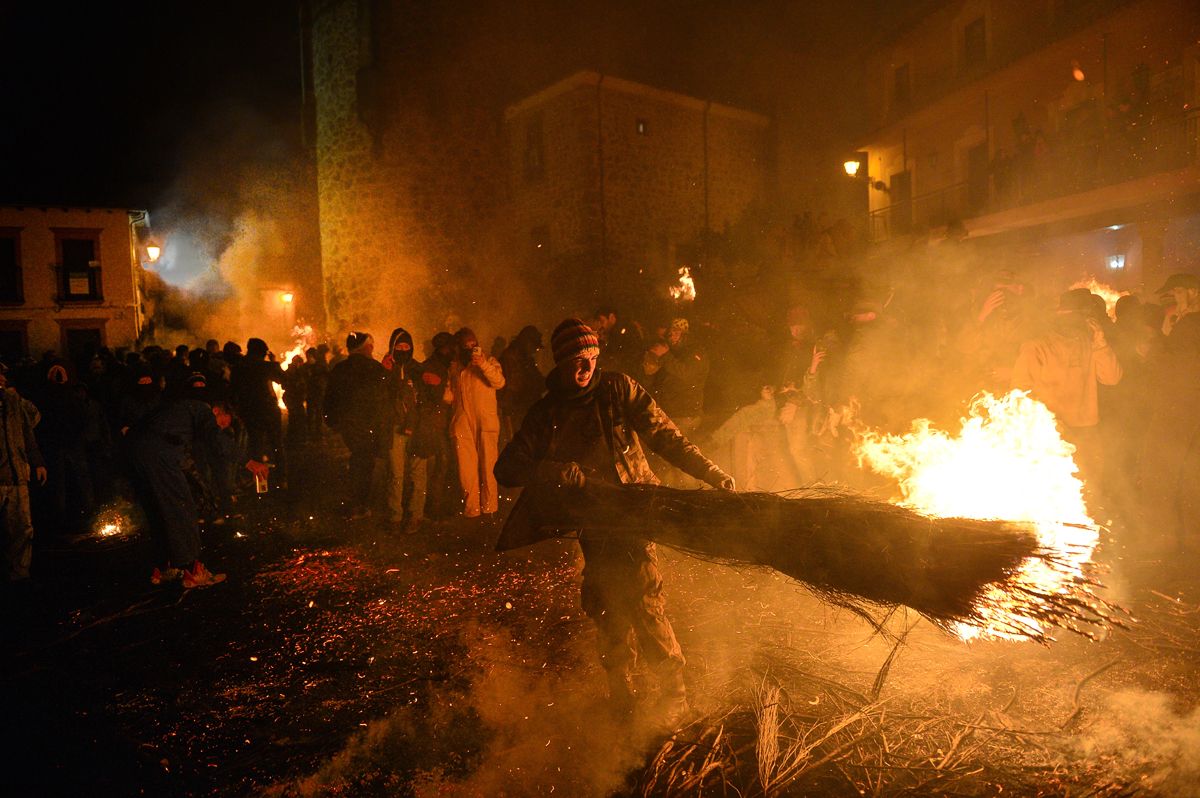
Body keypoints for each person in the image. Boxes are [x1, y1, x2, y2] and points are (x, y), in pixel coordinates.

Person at [495, 319, 734, 726]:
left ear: (598, 356)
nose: (584, 367)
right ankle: (621, 690)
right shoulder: (547, 410)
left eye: (590, 357)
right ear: (560, 362)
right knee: (606, 603)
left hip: (635, 511)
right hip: (592, 520)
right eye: (574, 360)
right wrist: (551, 470)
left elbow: (665, 436)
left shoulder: (618, 389)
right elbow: (507, 468)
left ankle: (673, 694)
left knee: (643, 596)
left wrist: (710, 473)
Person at [128, 395, 267, 588]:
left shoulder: (176, 411)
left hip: (135, 451)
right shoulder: (202, 410)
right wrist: (248, 462)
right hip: (159, 454)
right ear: (217, 410)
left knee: (157, 510)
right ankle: (193, 570)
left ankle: (165, 566)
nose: (223, 426)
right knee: (182, 508)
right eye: (224, 421)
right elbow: (216, 440)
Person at [324, 331, 388, 519]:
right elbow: (383, 398)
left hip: (348, 424)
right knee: (363, 462)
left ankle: (356, 502)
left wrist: (332, 420)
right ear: (367, 347)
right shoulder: (374, 368)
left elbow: (330, 397)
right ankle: (359, 504)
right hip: (368, 424)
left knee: (359, 459)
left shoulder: (339, 369)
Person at [446, 327, 505, 519]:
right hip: (463, 424)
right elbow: (449, 396)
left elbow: (499, 382)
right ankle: (472, 509)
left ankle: (489, 508)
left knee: (488, 465)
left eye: (474, 344)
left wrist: (483, 365)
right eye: (466, 346)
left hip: (485, 422)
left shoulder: (489, 362)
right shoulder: (455, 367)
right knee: (467, 469)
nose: (471, 349)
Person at [0, 363, 46, 584]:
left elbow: (31, 425)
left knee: (21, 530)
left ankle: (19, 574)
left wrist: (37, 462)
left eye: (1, 376)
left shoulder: (14, 403)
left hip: (17, 475)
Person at [382, 327, 419, 529]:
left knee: (417, 474)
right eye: (399, 346)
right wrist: (385, 373)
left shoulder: (417, 368)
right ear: (392, 347)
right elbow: (381, 396)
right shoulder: (386, 368)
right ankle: (395, 515)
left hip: (417, 428)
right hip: (395, 427)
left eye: (407, 346)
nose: (404, 350)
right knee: (396, 474)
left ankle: (415, 514)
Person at [497, 325, 544, 446]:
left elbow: (538, 381)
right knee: (518, 445)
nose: (535, 351)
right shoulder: (510, 358)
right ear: (527, 343)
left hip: (526, 408)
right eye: (534, 347)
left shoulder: (526, 359)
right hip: (516, 411)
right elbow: (512, 386)